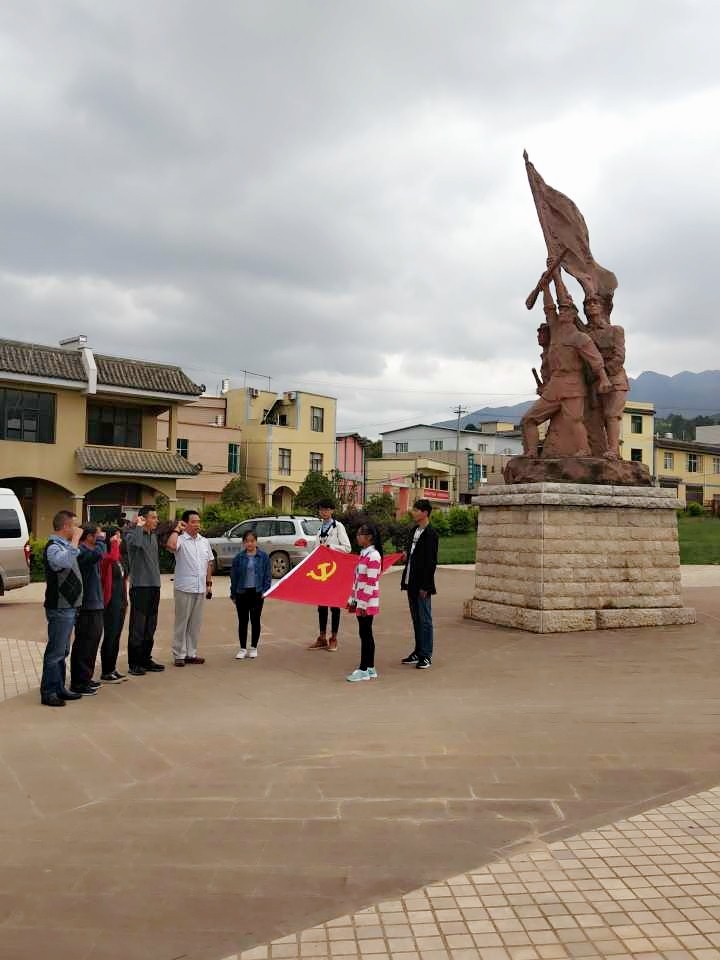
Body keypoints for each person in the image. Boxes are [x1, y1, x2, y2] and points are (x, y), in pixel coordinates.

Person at [521, 269, 611, 458]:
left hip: (573, 385)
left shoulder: (580, 338)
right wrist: (546, 287)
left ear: (573, 315)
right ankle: (531, 452)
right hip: (555, 385)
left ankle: (584, 450)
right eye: (561, 310)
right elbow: (549, 308)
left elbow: (596, 360)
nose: (562, 313)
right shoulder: (555, 330)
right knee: (529, 419)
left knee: (575, 421)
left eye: (566, 310)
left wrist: (603, 379)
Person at [40, 510, 84, 707]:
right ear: (65, 526)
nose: (77, 528)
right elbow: (63, 562)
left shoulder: (64, 546)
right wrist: (75, 540)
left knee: (63, 650)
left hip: (69, 607)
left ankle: (59, 688)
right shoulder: (53, 547)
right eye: (74, 525)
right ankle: (49, 692)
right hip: (59, 607)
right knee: (56, 651)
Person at [165, 510, 214, 667]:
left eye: (198, 521)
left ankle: (190, 653)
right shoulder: (180, 539)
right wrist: (176, 529)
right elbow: (170, 546)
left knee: (195, 624)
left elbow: (209, 563)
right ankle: (179, 654)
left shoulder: (204, 541)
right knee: (182, 622)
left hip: (200, 588)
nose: (197, 524)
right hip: (184, 587)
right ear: (185, 523)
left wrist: (209, 584)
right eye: (193, 522)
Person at [308, 498, 351, 652]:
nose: (324, 512)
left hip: (335, 571)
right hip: (322, 573)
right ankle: (322, 637)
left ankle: (333, 638)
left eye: (327, 509)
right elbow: (315, 549)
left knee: (334, 606)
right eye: (321, 509)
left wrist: (330, 546)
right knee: (321, 606)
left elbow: (347, 548)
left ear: (332, 511)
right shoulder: (320, 529)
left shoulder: (338, 527)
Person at [400, 499, 439, 670]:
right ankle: (418, 651)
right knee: (416, 619)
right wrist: (405, 555)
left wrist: (426, 586)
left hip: (422, 584)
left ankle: (426, 655)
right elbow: (412, 554)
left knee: (425, 620)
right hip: (411, 581)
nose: (413, 512)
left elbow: (431, 563)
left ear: (425, 513)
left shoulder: (431, 534)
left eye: (416, 510)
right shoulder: (413, 531)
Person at [125, 506, 164, 675]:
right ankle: (134, 663)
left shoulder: (153, 536)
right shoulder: (132, 535)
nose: (156, 520)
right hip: (140, 587)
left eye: (156, 517)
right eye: (153, 517)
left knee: (150, 626)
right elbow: (137, 544)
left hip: (154, 585)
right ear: (143, 518)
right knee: (138, 627)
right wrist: (138, 526)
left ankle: (146, 659)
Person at [70, 524, 107, 696]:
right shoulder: (82, 551)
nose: (100, 537)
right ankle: (78, 682)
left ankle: (86, 677)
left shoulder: (89, 551)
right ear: (90, 536)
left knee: (92, 643)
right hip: (87, 605)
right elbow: (99, 554)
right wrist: (102, 540)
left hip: (95, 603)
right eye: (97, 534)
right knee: (84, 643)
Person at [345, 523, 383, 682]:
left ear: (369, 537)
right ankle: (370, 667)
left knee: (366, 634)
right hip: (361, 600)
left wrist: (362, 605)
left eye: (360, 534)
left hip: (367, 602)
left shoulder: (373, 556)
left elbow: (370, 582)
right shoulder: (364, 554)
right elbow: (358, 580)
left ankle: (364, 669)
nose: (358, 537)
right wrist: (352, 599)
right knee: (365, 633)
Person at [230, 530, 271, 660]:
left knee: (255, 620)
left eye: (252, 541)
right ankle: (242, 648)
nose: (250, 543)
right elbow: (234, 577)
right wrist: (233, 594)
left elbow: (267, 575)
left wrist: (265, 590)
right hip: (241, 592)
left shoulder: (263, 557)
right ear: (243, 543)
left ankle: (253, 647)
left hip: (257, 593)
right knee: (242, 621)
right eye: (247, 541)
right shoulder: (239, 558)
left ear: (256, 541)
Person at [99, 526, 128, 683]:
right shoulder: (106, 557)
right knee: (110, 636)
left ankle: (112, 668)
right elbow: (112, 558)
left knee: (116, 635)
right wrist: (114, 544)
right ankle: (106, 670)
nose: (119, 539)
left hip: (121, 600)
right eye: (116, 537)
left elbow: (124, 575)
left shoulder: (119, 558)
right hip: (111, 602)